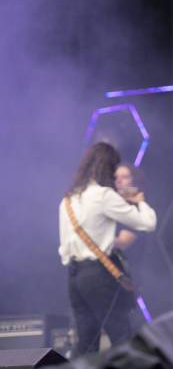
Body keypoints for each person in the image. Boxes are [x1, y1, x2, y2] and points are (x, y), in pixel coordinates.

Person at [59, 143, 156, 355]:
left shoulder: (68, 199)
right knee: (121, 336)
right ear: (107, 168)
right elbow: (148, 223)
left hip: (74, 276)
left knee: (86, 342)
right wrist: (140, 202)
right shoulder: (103, 195)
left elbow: (64, 250)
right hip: (98, 275)